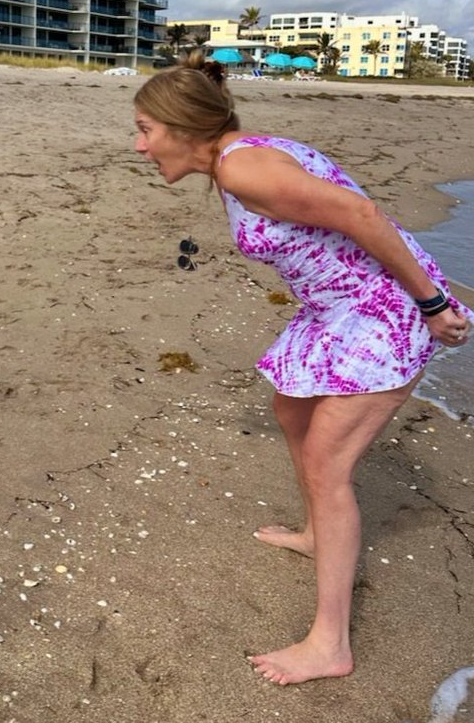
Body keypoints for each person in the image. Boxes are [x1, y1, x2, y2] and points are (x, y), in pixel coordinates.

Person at [133, 54, 472, 685]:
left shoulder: (245, 170)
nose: (140, 145)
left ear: (183, 128)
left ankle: (330, 644)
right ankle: (319, 534)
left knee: (327, 464)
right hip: (337, 309)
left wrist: (431, 302)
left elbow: (364, 216)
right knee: (290, 409)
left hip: (380, 312)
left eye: (147, 128)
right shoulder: (244, 155)